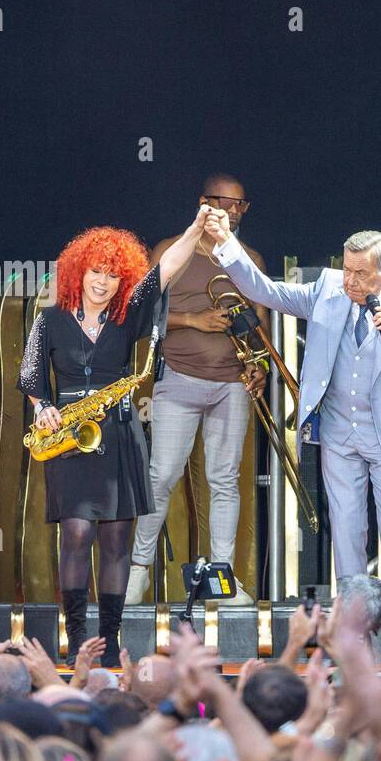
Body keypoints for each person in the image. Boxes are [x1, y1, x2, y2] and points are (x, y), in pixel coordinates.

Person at [202, 211, 381, 662]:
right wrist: (226, 246)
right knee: (347, 531)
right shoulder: (325, 290)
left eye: (361, 273)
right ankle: (354, 631)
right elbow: (266, 291)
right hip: (338, 432)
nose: (350, 280)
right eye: (347, 269)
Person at [19, 207, 212, 665]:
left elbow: (164, 270)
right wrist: (43, 407)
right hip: (71, 434)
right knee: (77, 534)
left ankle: (107, 643)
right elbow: (30, 373)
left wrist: (194, 230)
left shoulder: (128, 315)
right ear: (77, 273)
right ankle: (76, 640)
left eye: (110, 274)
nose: (101, 282)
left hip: (120, 434)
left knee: (114, 543)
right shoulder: (50, 319)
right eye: (94, 272)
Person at [125, 174, 266, 606]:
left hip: (230, 384)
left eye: (243, 205)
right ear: (204, 202)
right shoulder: (171, 250)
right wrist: (193, 321)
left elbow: (258, 327)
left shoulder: (250, 257)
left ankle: (220, 580)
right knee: (162, 475)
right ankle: (138, 573)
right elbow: (140, 315)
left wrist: (258, 365)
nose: (236, 211)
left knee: (223, 481)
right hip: (180, 379)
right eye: (228, 203)